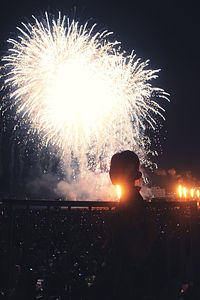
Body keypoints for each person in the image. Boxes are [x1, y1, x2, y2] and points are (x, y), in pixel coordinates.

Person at [109, 150, 156, 299]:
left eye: (114, 167)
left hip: (129, 273)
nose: (110, 172)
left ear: (125, 171)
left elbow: (133, 239)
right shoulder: (132, 198)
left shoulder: (130, 202)